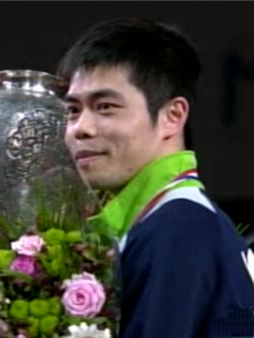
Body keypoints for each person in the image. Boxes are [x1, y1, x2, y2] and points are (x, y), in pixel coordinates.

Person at [57, 18, 254, 337]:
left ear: (172, 117)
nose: (81, 128)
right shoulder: (170, 219)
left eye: (105, 107)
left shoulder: (179, 227)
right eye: (73, 110)